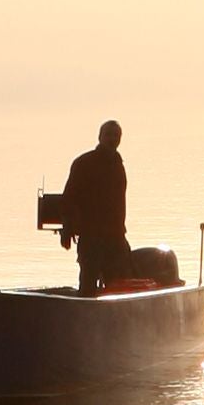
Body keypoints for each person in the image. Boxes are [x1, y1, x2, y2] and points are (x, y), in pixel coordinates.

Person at [57, 118, 129, 293]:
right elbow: (69, 197)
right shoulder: (84, 163)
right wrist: (67, 228)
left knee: (120, 282)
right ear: (100, 137)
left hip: (116, 235)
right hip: (91, 236)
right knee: (88, 283)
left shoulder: (118, 165)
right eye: (108, 135)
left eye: (116, 135)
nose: (112, 139)